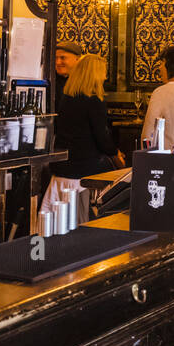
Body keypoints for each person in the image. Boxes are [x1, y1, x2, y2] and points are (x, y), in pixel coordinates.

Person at [42, 53, 125, 227]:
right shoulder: (94, 100)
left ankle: (44, 252)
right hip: (83, 171)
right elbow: (102, 139)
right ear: (94, 74)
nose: (105, 76)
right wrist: (115, 152)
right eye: (103, 72)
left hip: (61, 167)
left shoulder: (67, 97)